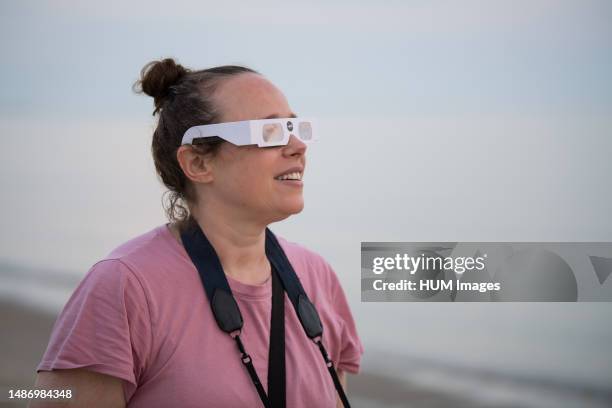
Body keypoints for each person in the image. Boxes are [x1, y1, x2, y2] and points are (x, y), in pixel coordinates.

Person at [32, 58, 364, 407]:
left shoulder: (317, 277)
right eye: (270, 132)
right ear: (198, 163)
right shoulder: (125, 286)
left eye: (295, 128)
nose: (298, 146)